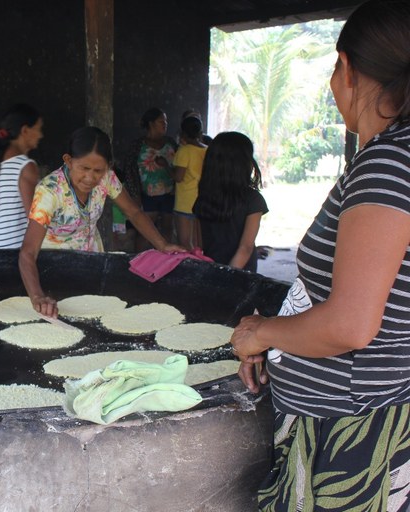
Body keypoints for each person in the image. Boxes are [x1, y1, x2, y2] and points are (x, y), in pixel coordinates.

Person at [230, 0, 410, 509]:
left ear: (346, 68)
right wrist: (283, 336)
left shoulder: (387, 166)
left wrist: (259, 333)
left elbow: (351, 325)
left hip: (349, 431)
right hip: (366, 409)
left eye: (334, 69)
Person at [19, 127, 184, 317]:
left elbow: (133, 212)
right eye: (84, 168)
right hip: (55, 270)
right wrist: (38, 296)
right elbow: (28, 253)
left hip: (92, 263)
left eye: (98, 170)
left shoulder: (107, 178)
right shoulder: (49, 191)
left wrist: (162, 245)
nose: (90, 178)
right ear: (69, 161)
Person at [193, 132, 268, 272]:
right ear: (243, 164)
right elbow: (245, 248)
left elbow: (199, 244)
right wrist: (228, 275)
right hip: (242, 275)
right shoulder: (253, 200)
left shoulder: (203, 197)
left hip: (211, 270)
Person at [114, 107, 178, 251]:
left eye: (166, 121)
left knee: (167, 228)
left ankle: (166, 262)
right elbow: (129, 172)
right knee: (144, 231)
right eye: (161, 121)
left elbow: (178, 169)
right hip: (147, 195)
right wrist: (135, 196)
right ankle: (140, 260)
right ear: (151, 123)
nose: (165, 124)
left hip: (169, 193)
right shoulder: (137, 146)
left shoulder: (171, 143)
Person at [0, 103, 43, 249]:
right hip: (14, 255)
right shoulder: (25, 166)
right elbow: (35, 218)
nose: (41, 135)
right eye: (38, 129)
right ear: (25, 131)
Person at [173, 116, 207, 249]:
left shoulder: (184, 151)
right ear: (200, 132)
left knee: (185, 243)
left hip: (185, 202)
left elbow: (178, 177)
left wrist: (165, 166)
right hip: (202, 200)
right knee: (199, 244)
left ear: (183, 134)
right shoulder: (207, 150)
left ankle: (188, 269)